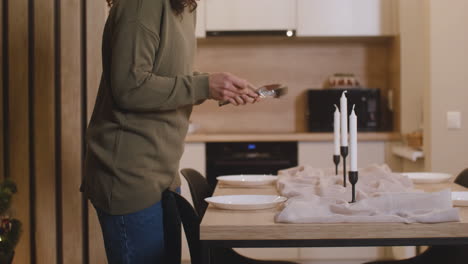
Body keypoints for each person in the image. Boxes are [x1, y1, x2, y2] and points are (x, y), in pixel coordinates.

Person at [80, 0, 259, 263]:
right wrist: (204, 86)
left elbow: (168, 75)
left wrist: (215, 85)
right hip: (130, 175)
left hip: (161, 171)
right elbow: (129, 88)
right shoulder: (140, 6)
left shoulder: (183, 7)